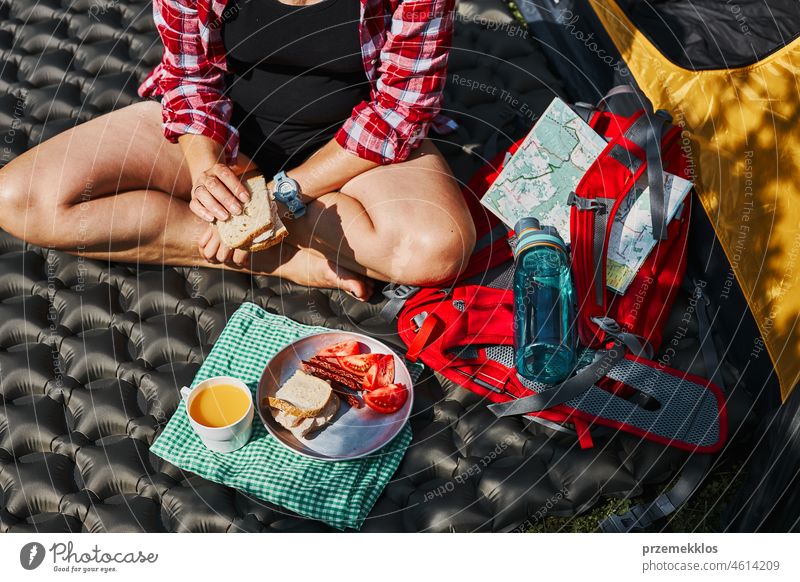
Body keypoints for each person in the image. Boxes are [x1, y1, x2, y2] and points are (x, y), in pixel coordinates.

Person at [0, 0, 476, 301]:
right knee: (20, 199)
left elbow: (398, 112)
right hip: (225, 129)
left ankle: (264, 231)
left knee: (436, 250)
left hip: (352, 145)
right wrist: (207, 171)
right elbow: (189, 79)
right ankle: (281, 258)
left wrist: (284, 195)